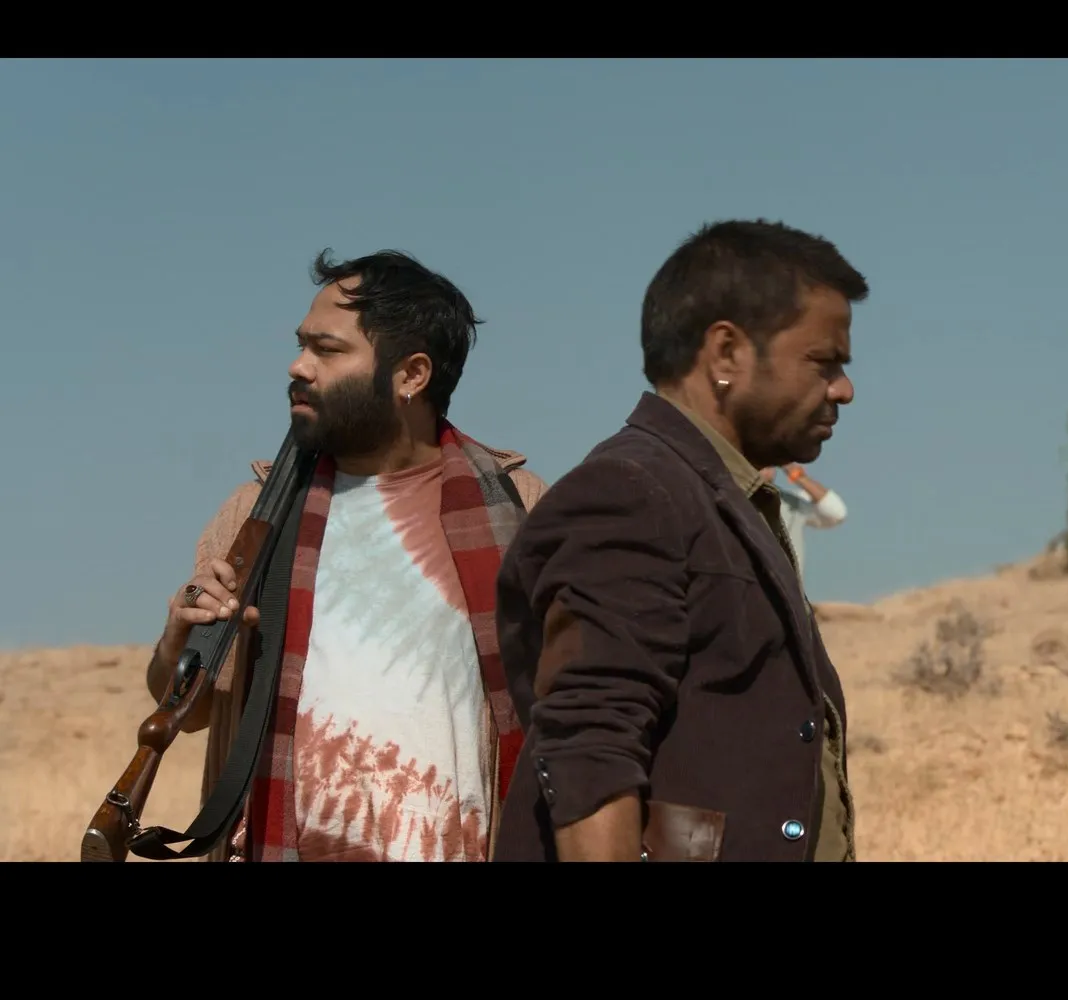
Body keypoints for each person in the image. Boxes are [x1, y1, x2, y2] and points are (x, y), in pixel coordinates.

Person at [147, 249, 547, 862]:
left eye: (327, 350)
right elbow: (189, 712)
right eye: (301, 345)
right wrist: (180, 634)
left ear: (412, 375)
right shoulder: (254, 517)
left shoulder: (519, 513)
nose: (298, 366)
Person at [489, 218, 868, 862]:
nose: (844, 389)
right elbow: (590, 749)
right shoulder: (631, 493)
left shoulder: (722, 499)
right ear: (725, 354)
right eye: (823, 361)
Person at [758, 463, 847, 583]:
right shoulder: (733, 499)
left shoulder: (791, 502)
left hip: (785, 588)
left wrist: (796, 474)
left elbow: (836, 513)